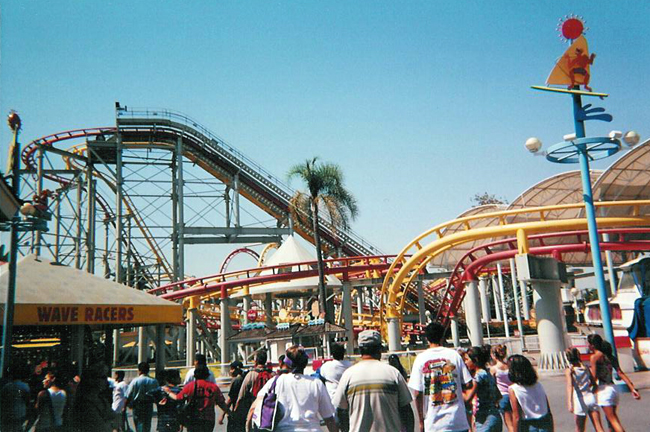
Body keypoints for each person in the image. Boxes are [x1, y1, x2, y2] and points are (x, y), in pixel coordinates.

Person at [334, 331, 414, 432]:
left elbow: (341, 412)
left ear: (359, 350)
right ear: (380, 349)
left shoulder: (348, 375)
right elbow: (406, 411)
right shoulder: (393, 373)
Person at [252, 345, 339, 432]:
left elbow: (256, 404)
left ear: (286, 363)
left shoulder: (276, 381)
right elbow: (329, 418)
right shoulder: (316, 384)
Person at [408, 321, 474, 432]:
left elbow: (417, 392)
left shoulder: (420, 359)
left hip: (433, 423)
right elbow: (468, 383)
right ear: (443, 336)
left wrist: (421, 421)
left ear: (427, 338)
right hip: (457, 421)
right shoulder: (454, 355)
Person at [587, 334, 640, 432]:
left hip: (604, 390)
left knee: (613, 419)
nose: (588, 346)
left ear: (592, 345)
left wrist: (588, 387)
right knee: (610, 420)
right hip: (613, 388)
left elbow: (594, 377)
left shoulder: (594, 357)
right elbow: (620, 373)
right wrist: (632, 388)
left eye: (588, 344)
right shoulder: (610, 356)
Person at [165, 365, 230, 432]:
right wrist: (230, 413)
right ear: (207, 375)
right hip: (209, 419)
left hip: (193, 419)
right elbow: (221, 403)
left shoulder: (190, 386)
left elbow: (178, 398)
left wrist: (169, 392)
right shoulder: (213, 387)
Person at [507, 355, 553, 432]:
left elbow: (516, 417)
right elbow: (548, 409)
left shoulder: (513, 389)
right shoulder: (538, 385)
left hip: (529, 425)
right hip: (545, 422)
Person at [565, 347, 604, 432]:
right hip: (590, 397)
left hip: (579, 400)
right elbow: (594, 384)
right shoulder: (586, 368)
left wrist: (569, 402)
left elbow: (569, 386)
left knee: (580, 429)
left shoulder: (570, 371)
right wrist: (592, 392)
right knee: (598, 427)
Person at [464, 347, 502, 432]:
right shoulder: (488, 373)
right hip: (495, 415)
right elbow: (498, 395)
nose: (465, 363)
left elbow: (467, 398)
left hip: (484, 419)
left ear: (475, 359)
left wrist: (454, 390)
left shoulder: (479, 376)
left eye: (467, 359)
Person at [71, 366, 117, 432]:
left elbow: (116, 419)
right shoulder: (85, 403)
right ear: (92, 380)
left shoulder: (102, 399)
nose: (106, 380)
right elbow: (99, 426)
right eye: (103, 377)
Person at [234, 349, 271, 415]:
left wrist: (236, 409)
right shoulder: (272, 374)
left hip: (254, 408)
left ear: (256, 361)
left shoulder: (251, 374)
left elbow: (242, 395)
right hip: (269, 408)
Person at [125, 362, 159, 432]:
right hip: (149, 405)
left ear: (139, 370)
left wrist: (126, 405)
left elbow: (128, 394)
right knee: (147, 424)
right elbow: (158, 395)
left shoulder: (135, 381)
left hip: (138, 405)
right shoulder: (154, 381)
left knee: (139, 424)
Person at [0, 364, 31, 432]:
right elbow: (27, 400)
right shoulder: (25, 386)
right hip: (20, 414)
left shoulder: (7, 386)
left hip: (8, 414)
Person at [490, 345, 514, 432]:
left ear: (493, 355)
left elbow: (492, 385)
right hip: (514, 394)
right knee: (517, 420)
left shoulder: (493, 369)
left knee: (509, 423)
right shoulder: (509, 366)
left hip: (503, 396)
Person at [219, 361, 246, 432]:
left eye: (231, 369)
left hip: (236, 412)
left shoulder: (237, 381)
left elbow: (230, 399)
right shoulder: (245, 378)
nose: (230, 371)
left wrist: (223, 414)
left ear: (236, 370)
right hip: (245, 412)